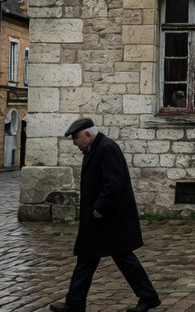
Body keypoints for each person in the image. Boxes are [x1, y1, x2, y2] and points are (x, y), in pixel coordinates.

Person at [51, 119, 161, 312]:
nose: (74, 142)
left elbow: (114, 184)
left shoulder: (106, 148)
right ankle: (74, 304)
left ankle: (149, 297)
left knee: (124, 259)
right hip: (98, 219)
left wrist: (100, 208)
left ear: (87, 135)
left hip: (109, 219)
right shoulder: (95, 149)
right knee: (86, 259)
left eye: (76, 138)